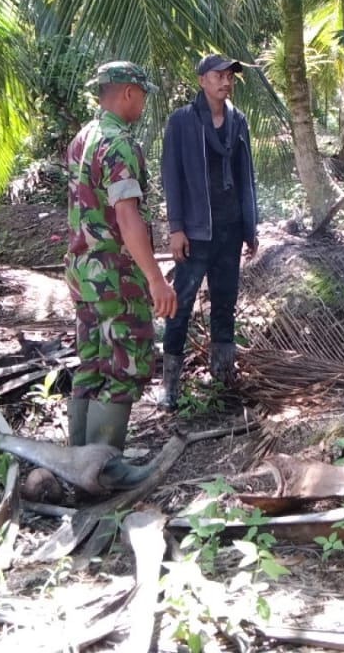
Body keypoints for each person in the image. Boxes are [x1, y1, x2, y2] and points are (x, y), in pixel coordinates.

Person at [65, 61, 177, 466]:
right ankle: (102, 468)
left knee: (92, 362)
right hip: (114, 273)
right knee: (125, 363)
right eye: (143, 95)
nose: (143, 104)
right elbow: (127, 216)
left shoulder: (83, 138)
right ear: (129, 92)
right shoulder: (119, 143)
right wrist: (155, 278)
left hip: (81, 271)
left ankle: (76, 460)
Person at [158, 53, 259, 408]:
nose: (225, 81)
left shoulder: (238, 121)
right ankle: (170, 386)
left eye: (230, 76)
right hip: (196, 232)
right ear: (201, 80)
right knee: (181, 305)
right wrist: (176, 228)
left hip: (230, 230)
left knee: (225, 302)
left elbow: (247, 176)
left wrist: (251, 226)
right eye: (218, 75)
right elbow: (172, 177)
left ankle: (222, 379)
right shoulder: (182, 122)